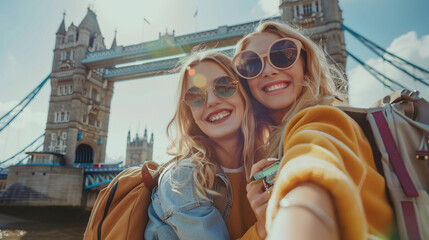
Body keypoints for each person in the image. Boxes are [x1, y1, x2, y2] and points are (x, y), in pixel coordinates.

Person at [233, 21, 394, 240]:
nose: (269, 70)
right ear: (245, 84)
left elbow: (311, 166)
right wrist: (263, 227)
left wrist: (296, 209)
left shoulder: (323, 119)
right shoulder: (270, 148)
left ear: (305, 63)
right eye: (251, 65)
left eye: (282, 55)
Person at [145, 50, 268, 239]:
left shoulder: (273, 161)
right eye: (195, 97)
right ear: (190, 114)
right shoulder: (182, 180)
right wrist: (263, 228)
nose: (211, 102)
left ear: (245, 94)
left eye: (225, 86)